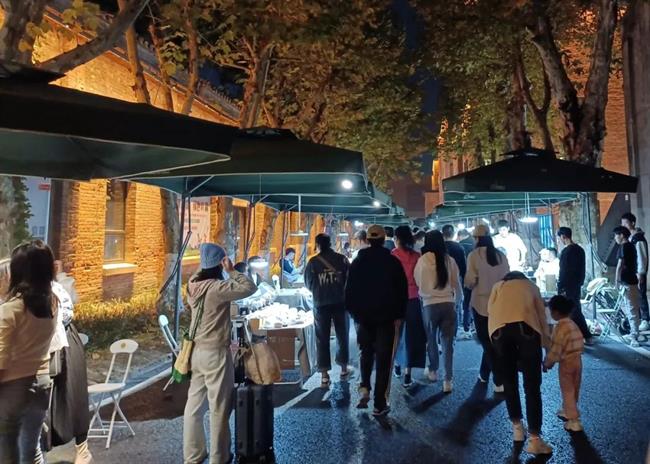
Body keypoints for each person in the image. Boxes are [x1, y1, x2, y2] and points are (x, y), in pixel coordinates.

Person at [183, 243, 257, 464]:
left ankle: (193, 455)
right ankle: (219, 456)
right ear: (219, 264)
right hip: (215, 353)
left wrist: (208, 262)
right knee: (219, 407)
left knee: (194, 407)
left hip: (196, 352)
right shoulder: (218, 288)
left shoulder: (192, 285)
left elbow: (201, 270)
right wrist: (231, 270)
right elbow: (249, 287)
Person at [0, 241, 59, 463]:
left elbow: (1, 358)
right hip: (42, 381)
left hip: (12, 387)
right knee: (31, 449)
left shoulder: (11, 309)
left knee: (6, 448)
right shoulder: (52, 303)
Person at [488, 271, 552, 455]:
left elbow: (491, 311)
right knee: (532, 385)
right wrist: (547, 349)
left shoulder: (498, 287)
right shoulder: (531, 286)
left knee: (509, 382)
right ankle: (535, 440)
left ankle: (517, 428)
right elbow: (542, 317)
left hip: (499, 333)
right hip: (526, 329)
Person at [345, 225, 407, 416]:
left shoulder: (357, 262)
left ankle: (364, 386)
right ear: (383, 239)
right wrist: (400, 315)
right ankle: (379, 403)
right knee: (384, 359)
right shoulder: (393, 262)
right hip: (387, 318)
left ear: (368, 240)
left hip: (363, 318)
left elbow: (349, 291)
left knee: (365, 352)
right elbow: (402, 291)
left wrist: (354, 314)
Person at [40, 275, 93, 464]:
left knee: (72, 398)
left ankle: (83, 450)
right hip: (47, 349)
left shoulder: (51, 290)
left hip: (63, 348)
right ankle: (40, 454)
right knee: (43, 406)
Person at [414, 230, 463, 393]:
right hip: (448, 303)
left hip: (429, 305)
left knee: (431, 339)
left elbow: (417, 280)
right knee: (448, 343)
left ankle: (433, 370)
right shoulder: (449, 260)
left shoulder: (423, 260)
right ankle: (448, 380)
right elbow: (456, 283)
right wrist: (457, 303)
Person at [465, 224, 510, 392]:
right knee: (494, 340)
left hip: (481, 304)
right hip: (500, 303)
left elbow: (470, 281)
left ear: (477, 238)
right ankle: (484, 373)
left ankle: (498, 379)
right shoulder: (500, 255)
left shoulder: (474, 255)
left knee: (487, 341)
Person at [304, 233, 352, 387]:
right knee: (342, 334)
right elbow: (350, 280)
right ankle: (343, 368)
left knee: (322, 337)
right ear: (330, 243)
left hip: (321, 304)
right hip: (340, 302)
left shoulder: (313, 262)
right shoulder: (342, 259)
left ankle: (324, 375)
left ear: (318, 245)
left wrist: (319, 290)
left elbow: (308, 284)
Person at [543, 295, 585, 433]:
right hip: (578, 360)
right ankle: (568, 410)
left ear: (555, 312)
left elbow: (556, 349)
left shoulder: (560, 328)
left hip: (566, 363)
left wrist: (547, 363)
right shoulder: (573, 324)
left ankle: (573, 420)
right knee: (574, 387)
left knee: (567, 390)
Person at [391, 226, 426, 387]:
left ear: (397, 239)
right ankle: (408, 373)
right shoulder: (417, 256)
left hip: (396, 300)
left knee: (396, 335)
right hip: (413, 299)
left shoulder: (393, 255)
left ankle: (397, 365)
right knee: (411, 336)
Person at [556, 227, 592, 343]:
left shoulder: (566, 252)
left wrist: (560, 285)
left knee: (572, 310)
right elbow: (583, 268)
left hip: (567, 285)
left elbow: (563, 271)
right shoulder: (580, 250)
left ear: (563, 236)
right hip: (576, 284)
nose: (559, 240)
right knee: (575, 308)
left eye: (559, 238)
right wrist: (580, 282)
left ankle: (585, 335)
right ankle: (581, 335)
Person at [613, 226, 646, 347]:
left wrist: (616, 280)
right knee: (632, 307)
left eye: (616, 235)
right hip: (631, 280)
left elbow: (620, 265)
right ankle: (634, 332)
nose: (615, 238)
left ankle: (634, 334)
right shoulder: (631, 245)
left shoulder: (624, 246)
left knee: (631, 308)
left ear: (622, 235)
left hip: (627, 282)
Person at [621, 212, 649, 332]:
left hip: (637, 272)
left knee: (641, 295)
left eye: (625, 223)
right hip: (632, 272)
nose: (624, 226)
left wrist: (641, 272)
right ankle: (639, 318)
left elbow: (642, 257)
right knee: (635, 296)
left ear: (632, 223)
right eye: (622, 224)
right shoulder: (630, 238)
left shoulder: (638, 239)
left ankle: (645, 319)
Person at [442, 225, 469, 339]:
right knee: (456, 306)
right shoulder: (459, 247)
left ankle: (444, 331)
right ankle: (454, 332)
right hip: (457, 279)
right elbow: (463, 266)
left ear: (443, 234)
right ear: (453, 234)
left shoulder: (439, 247)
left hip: (442, 279)